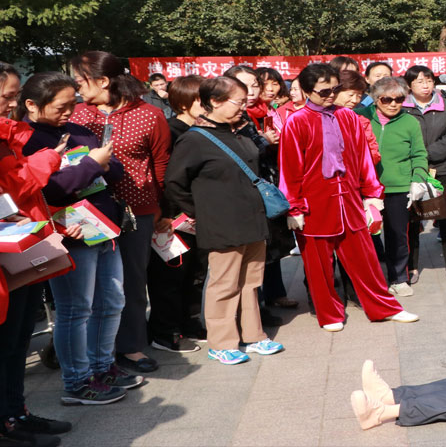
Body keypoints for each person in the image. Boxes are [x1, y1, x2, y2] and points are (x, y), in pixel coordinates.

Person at [18, 72, 143, 404]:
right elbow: (51, 188)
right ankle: (77, 381)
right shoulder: (27, 140)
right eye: (61, 106)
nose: (68, 112)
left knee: (112, 300)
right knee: (75, 309)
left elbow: (113, 169)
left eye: (73, 104)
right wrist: (90, 163)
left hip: (101, 228)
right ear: (31, 104)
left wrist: (97, 162)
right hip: (68, 233)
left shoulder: (77, 131)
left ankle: (102, 367)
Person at [279, 63, 416, 331]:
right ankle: (329, 314)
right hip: (314, 204)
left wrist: (372, 194)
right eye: (324, 90)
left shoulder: (348, 117)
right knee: (319, 266)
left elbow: (363, 159)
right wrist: (294, 207)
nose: (331, 94)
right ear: (307, 91)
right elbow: (290, 168)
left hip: (349, 200)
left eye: (335, 88)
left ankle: (384, 307)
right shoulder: (297, 121)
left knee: (365, 260)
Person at [164, 77, 285, 365]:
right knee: (224, 284)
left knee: (250, 281)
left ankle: (254, 336)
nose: (244, 107)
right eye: (238, 102)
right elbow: (174, 183)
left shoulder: (239, 133)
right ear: (214, 102)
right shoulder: (193, 139)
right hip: (222, 224)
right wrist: (201, 212)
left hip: (253, 221)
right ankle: (221, 342)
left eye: (245, 102)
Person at [68, 51, 170, 374]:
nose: (76, 87)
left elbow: (161, 166)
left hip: (134, 211)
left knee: (131, 281)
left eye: (80, 81)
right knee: (89, 286)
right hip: (85, 211)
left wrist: (159, 210)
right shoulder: (77, 115)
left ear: (103, 81)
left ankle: (130, 346)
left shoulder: (150, 115)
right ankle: (89, 350)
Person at [0, 88, 73, 444]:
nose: (11, 103)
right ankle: (10, 420)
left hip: (20, 250)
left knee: (17, 340)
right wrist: (47, 160)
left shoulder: (10, 136)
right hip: (9, 250)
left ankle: (17, 413)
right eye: (5, 94)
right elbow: (15, 187)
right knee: (8, 343)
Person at [226, 66, 296, 322]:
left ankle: (273, 294)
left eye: (255, 85)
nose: (253, 91)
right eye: (246, 85)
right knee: (254, 253)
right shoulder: (232, 118)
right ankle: (255, 309)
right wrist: (264, 140)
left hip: (270, 185)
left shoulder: (265, 111)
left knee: (271, 245)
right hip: (247, 193)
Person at [147, 75, 206, 353]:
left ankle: (188, 322)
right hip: (172, 217)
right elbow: (164, 177)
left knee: (192, 273)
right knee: (169, 276)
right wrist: (164, 215)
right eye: (201, 99)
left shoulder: (201, 130)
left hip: (194, 215)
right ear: (184, 103)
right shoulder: (171, 131)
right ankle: (164, 331)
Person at [355, 77, 427, 297]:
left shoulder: (410, 122)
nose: (393, 104)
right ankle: (371, 280)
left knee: (398, 235)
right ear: (376, 99)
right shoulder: (360, 117)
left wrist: (418, 179)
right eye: (387, 99)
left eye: (399, 99)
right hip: (367, 188)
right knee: (367, 236)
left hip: (398, 188)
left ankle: (399, 278)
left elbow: (419, 154)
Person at [397, 65, 446, 282]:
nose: (425, 85)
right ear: (409, 85)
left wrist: (425, 155)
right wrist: (416, 159)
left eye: (428, 80)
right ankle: (412, 267)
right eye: (419, 81)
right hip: (411, 170)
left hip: (444, 167)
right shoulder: (400, 106)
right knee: (412, 219)